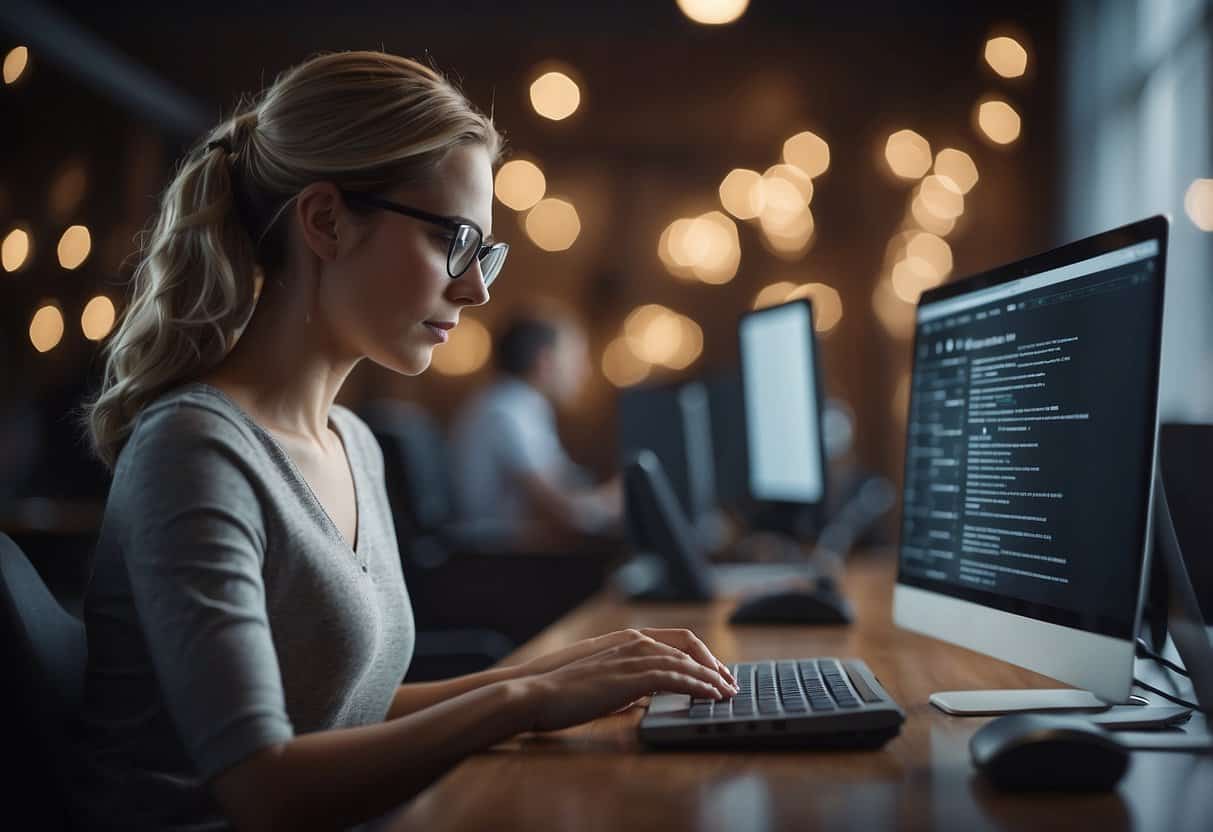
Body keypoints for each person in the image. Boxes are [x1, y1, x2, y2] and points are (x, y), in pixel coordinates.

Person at [74, 51, 737, 831]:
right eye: (455, 240)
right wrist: (523, 696)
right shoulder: (194, 448)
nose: (478, 288)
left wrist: (574, 667)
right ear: (324, 221)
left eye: (483, 251)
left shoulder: (352, 441)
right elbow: (262, 788)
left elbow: (345, 711)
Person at [450, 312, 624, 551]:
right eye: (577, 357)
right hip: (497, 564)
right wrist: (617, 500)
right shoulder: (508, 410)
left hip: (504, 557)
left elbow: (566, 487)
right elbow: (565, 512)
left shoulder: (518, 404)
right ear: (545, 361)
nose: (585, 371)